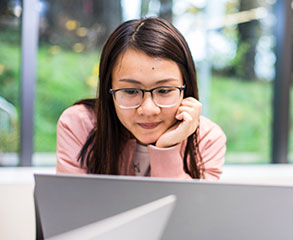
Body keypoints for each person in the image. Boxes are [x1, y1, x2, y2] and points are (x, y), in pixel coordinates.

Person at [56, 17, 226, 180]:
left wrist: (167, 148)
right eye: (130, 91)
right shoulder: (79, 125)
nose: (148, 109)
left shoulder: (207, 140)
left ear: (185, 88)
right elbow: (71, 207)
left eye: (165, 90)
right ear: (109, 89)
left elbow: (189, 210)